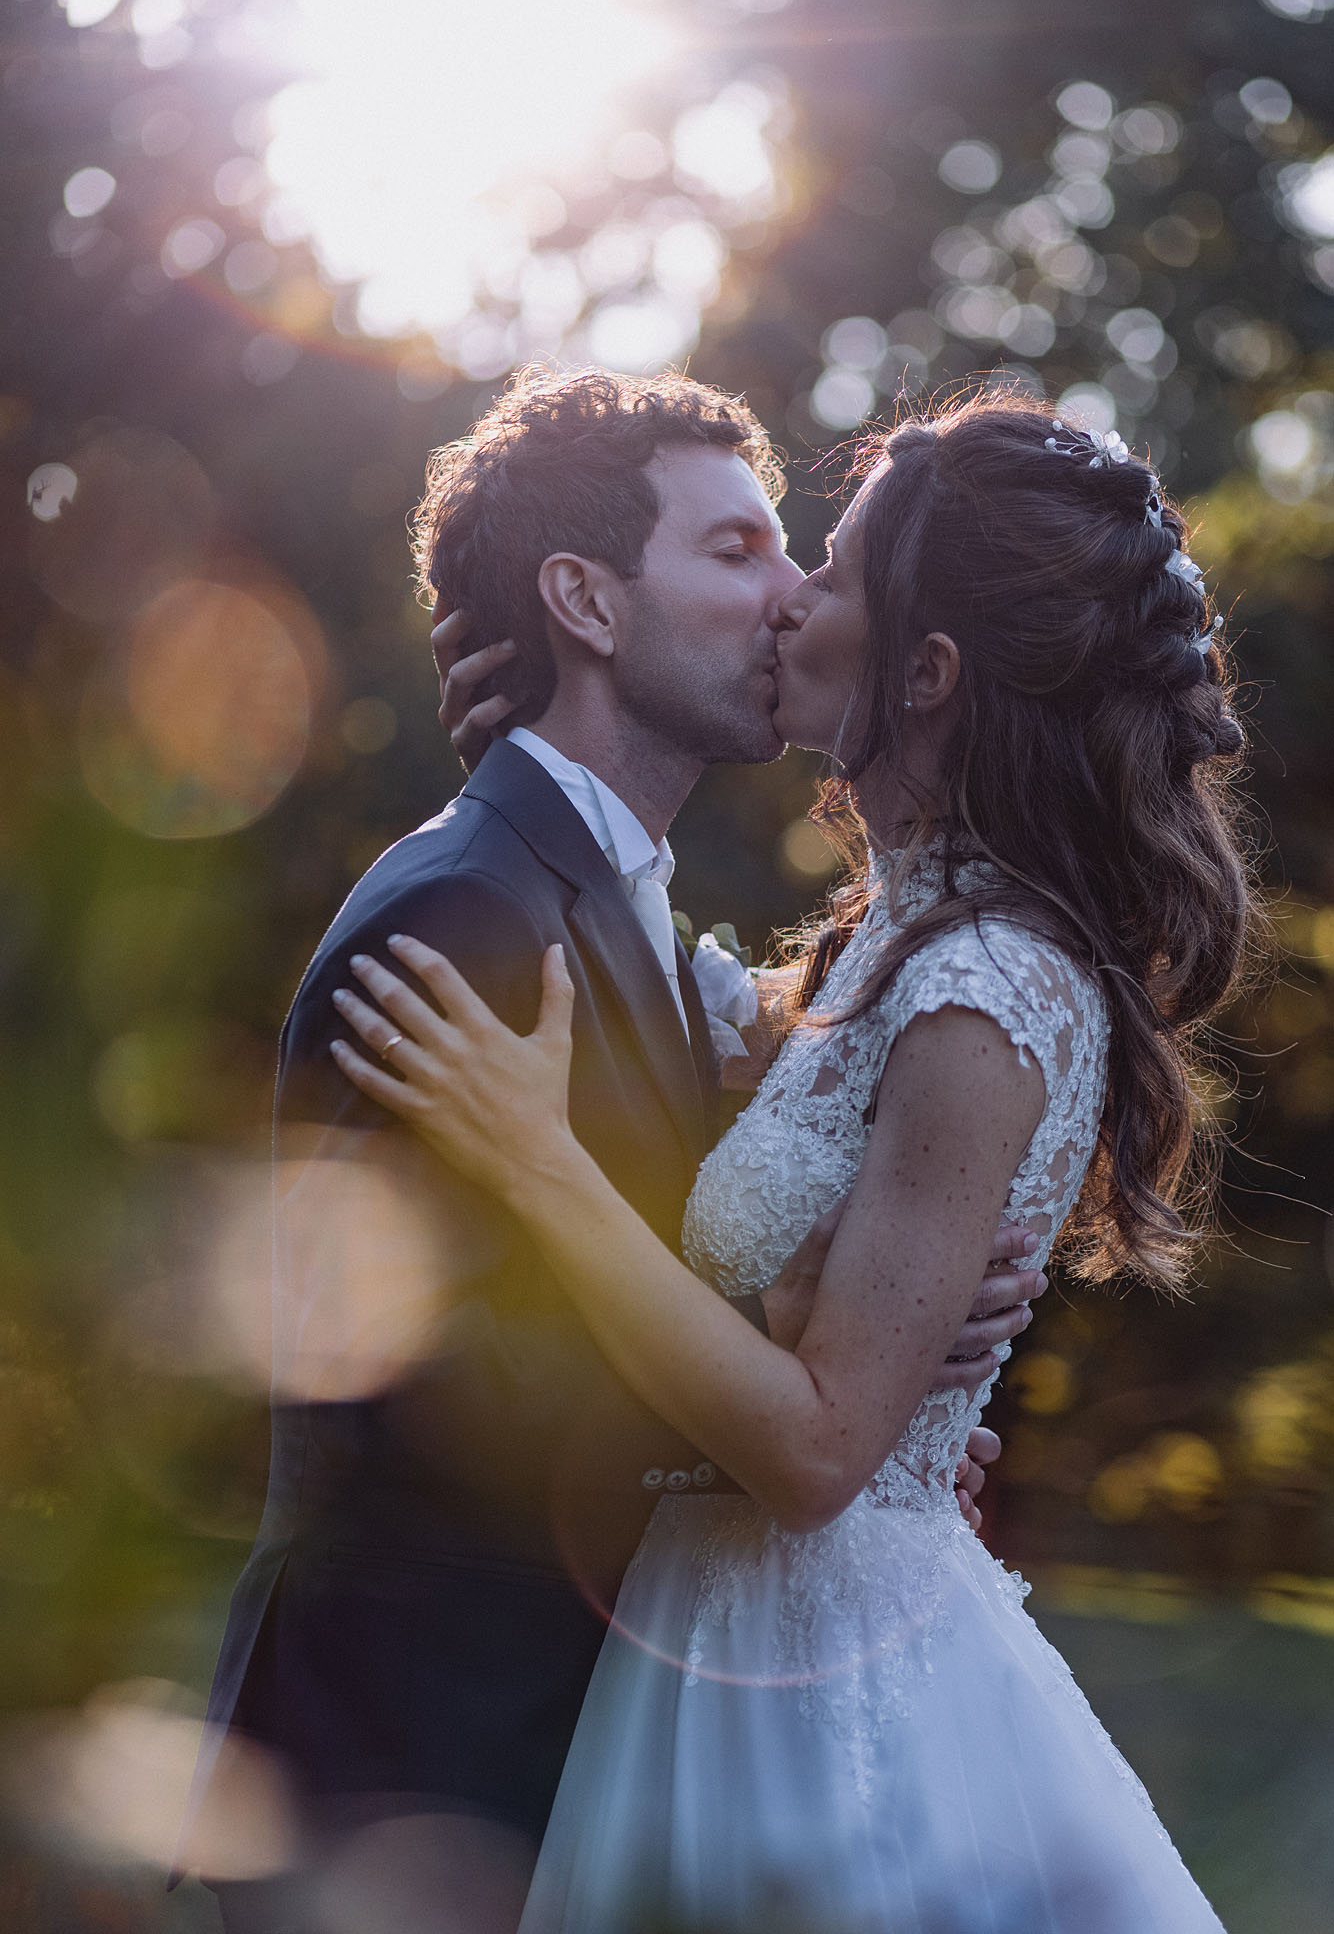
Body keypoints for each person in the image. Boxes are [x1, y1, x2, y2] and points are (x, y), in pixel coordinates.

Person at [331, 397, 1254, 1933]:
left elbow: (823, 1453)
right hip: (695, 1644)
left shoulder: (988, 989)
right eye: (754, 550)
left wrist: (537, 1159)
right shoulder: (878, 945)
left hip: (816, 1697)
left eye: (821, 567)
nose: (790, 597)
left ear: (926, 674)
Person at [187, 370, 1038, 1933]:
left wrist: (861, 1409)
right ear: (583, 599)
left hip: (528, 1764)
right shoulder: (466, 915)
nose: (790, 601)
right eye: (735, 552)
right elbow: (452, 1393)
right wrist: (813, 1409)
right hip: (416, 1783)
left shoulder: (597, 893)